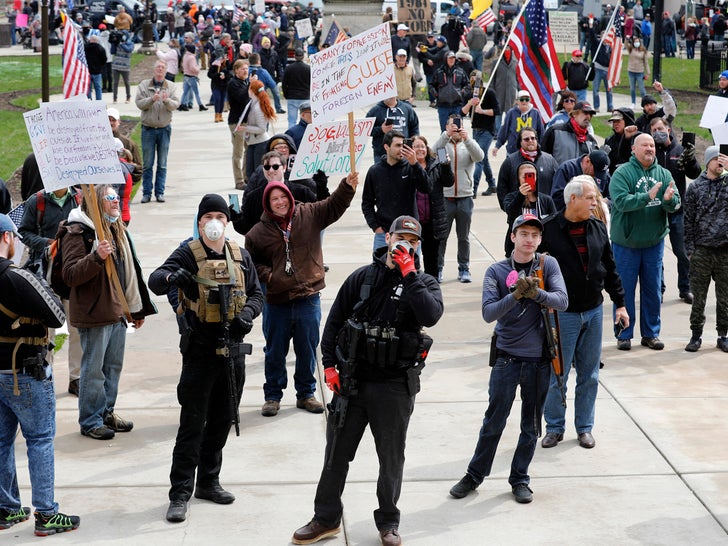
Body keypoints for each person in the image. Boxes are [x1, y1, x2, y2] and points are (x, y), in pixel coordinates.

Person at [291, 216, 443, 546]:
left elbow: (431, 315)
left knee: (391, 458)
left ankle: (388, 522)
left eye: (413, 241)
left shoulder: (423, 282)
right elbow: (332, 326)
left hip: (394, 387)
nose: (406, 244)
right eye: (401, 237)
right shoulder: (362, 278)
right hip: (353, 383)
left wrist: (410, 273)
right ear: (387, 238)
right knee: (335, 455)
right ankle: (325, 518)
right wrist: (329, 367)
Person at [148, 194, 264, 523]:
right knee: (192, 424)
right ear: (199, 222)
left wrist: (248, 315)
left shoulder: (240, 255)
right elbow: (155, 279)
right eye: (208, 216)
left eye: (220, 216)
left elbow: (257, 293)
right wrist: (174, 278)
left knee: (222, 419)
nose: (214, 222)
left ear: (228, 222)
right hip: (200, 350)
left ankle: (209, 481)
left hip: (233, 351)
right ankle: (180, 491)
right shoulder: (188, 253)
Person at [449, 213, 568, 504]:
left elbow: (562, 301)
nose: (529, 240)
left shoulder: (547, 264)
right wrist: (516, 294)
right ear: (513, 236)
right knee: (494, 421)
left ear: (540, 239)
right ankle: (474, 475)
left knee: (531, 425)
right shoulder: (497, 271)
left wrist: (537, 293)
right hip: (507, 359)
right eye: (524, 234)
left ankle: (520, 478)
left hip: (539, 360)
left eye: (535, 235)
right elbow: (489, 313)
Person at [245, 173, 360, 418]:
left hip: (308, 297)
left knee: (308, 349)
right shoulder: (257, 233)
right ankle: (272, 396)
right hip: (277, 302)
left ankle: (306, 393)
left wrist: (346, 187)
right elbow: (252, 264)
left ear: (290, 197)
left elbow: (333, 205)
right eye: (274, 199)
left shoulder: (309, 214)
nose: (280, 202)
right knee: (275, 351)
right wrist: (271, 276)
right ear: (268, 203)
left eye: (283, 197)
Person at [0, 214, 81, 536]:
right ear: (6, 238)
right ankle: (46, 513)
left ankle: (6, 508)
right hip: (25, 373)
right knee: (40, 440)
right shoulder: (16, 276)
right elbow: (57, 314)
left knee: (2, 442)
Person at [61, 185, 157, 439]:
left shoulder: (116, 229)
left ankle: (106, 413)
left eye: (116, 197)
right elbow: (70, 274)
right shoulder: (77, 232)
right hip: (94, 314)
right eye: (110, 198)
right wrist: (96, 256)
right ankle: (90, 421)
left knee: (112, 367)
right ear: (93, 203)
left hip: (116, 312)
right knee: (93, 370)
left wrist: (135, 309)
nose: (116, 202)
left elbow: (128, 274)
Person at [539, 177, 628, 450]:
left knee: (589, 374)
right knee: (558, 374)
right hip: (561, 315)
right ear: (573, 199)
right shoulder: (548, 229)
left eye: (596, 198)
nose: (596, 202)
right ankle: (554, 427)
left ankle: (584, 428)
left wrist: (620, 304)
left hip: (593, 311)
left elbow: (610, 267)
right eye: (591, 198)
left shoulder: (598, 227)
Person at [610, 134, 680, 351]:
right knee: (625, 291)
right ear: (634, 149)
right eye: (645, 145)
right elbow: (620, 202)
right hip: (627, 245)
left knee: (652, 290)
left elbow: (675, 204)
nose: (650, 148)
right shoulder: (622, 173)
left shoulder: (664, 173)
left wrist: (669, 201)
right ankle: (624, 334)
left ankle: (651, 334)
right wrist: (646, 197)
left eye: (652, 145)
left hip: (654, 243)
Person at [18, 186, 83, 396]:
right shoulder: (36, 201)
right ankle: (45, 375)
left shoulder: (80, 198)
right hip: (45, 276)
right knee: (46, 331)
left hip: (72, 273)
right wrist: (49, 244)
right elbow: (24, 232)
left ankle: (77, 378)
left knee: (77, 329)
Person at [648, 117, 701, 304]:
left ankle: (685, 289)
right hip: (655, 211)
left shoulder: (679, 151)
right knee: (656, 254)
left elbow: (694, 174)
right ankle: (658, 289)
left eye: (660, 128)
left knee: (683, 252)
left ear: (668, 129)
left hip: (678, 211)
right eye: (653, 130)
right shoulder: (650, 153)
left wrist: (690, 159)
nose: (657, 133)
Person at [684, 146, 728, 353]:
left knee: (725, 297)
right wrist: (690, 249)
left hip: (724, 251)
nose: (720, 164)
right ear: (708, 161)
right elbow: (688, 220)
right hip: (702, 251)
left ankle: (723, 335)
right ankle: (696, 335)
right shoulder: (695, 187)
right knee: (699, 297)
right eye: (717, 160)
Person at [433, 115, 484, 283]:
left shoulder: (467, 144)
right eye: (452, 125)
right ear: (447, 126)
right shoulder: (443, 144)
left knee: (463, 237)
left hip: (465, 197)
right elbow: (433, 153)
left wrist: (467, 139)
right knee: (442, 237)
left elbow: (479, 156)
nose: (455, 128)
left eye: (458, 125)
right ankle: (438, 268)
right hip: (446, 198)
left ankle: (464, 269)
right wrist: (446, 135)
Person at [362, 131, 430, 251]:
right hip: (384, 234)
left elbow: (427, 188)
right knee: (380, 268)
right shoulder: (375, 171)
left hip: (410, 232)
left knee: (411, 269)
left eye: (403, 145)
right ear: (386, 147)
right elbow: (367, 202)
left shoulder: (411, 167)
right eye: (398, 145)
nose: (402, 149)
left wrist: (415, 164)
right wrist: (375, 227)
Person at [135, 60, 180, 204]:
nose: (160, 69)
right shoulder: (144, 85)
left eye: (163, 67)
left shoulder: (171, 86)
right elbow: (139, 103)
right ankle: (146, 193)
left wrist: (166, 101)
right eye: (158, 67)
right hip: (148, 129)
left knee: (162, 163)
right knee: (148, 164)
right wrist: (151, 99)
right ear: (154, 70)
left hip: (164, 129)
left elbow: (175, 105)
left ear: (166, 70)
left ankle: (160, 193)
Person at [412, 135, 454, 277]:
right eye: (416, 146)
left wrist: (446, 166)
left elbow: (449, 182)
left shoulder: (435, 164)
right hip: (413, 221)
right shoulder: (406, 166)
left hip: (433, 221)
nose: (420, 149)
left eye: (422, 146)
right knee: (412, 261)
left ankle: (433, 291)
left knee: (431, 261)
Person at [502, 161, 557, 257]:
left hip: (541, 250)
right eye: (525, 177)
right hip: (516, 249)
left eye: (532, 176)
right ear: (518, 179)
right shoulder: (511, 197)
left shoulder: (546, 200)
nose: (528, 179)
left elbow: (555, 224)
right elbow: (511, 214)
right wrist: (520, 196)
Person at [496, 127, 560, 204]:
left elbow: (558, 184)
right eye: (526, 139)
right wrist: (508, 207)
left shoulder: (550, 160)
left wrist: (553, 207)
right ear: (520, 142)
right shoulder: (510, 162)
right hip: (519, 211)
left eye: (533, 138)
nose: (530, 141)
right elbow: (502, 188)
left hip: (545, 211)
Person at [463, 74, 500, 196]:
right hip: (475, 130)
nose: (475, 88)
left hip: (487, 131)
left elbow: (497, 111)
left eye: (477, 84)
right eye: (473, 83)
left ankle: (473, 189)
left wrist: (482, 111)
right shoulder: (470, 95)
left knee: (478, 159)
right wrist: (470, 103)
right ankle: (492, 184)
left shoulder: (489, 93)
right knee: (483, 158)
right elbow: (462, 112)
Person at [238, 79, 276, 181]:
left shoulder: (258, 107)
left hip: (260, 142)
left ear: (252, 90)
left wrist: (245, 128)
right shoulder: (253, 103)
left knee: (257, 172)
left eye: (249, 87)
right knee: (250, 172)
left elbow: (262, 129)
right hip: (254, 142)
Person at [541, 101, 599, 166]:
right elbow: (542, 158)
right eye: (585, 113)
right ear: (574, 114)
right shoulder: (555, 131)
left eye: (591, 114)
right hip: (558, 175)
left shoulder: (591, 141)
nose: (588, 116)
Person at [365, 96, 420, 162]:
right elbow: (366, 130)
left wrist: (414, 139)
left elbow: (414, 127)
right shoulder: (374, 111)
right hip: (382, 154)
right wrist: (381, 129)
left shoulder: (407, 109)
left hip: (404, 153)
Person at [493, 90, 545, 156]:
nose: (524, 101)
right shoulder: (511, 113)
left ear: (530, 100)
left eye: (527, 99)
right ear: (517, 101)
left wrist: (541, 148)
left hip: (530, 151)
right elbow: (504, 130)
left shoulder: (535, 113)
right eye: (522, 99)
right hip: (513, 151)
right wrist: (497, 146)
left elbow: (541, 132)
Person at [430, 51, 471, 131]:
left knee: (458, 130)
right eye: (450, 58)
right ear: (446, 59)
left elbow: (468, 85)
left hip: (457, 106)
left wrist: (462, 93)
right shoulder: (439, 72)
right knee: (444, 131)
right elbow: (431, 86)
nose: (452, 60)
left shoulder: (460, 72)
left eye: (453, 58)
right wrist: (437, 95)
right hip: (443, 106)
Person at [227, 59, 251, 190]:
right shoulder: (233, 84)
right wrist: (249, 85)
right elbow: (242, 98)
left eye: (247, 69)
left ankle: (246, 176)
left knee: (249, 150)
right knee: (238, 153)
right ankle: (239, 180)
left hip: (247, 122)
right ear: (236, 70)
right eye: (242, 69)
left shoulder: (245, 82)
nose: (245, 71)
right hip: (237, 122)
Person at [281, 48, 310, 129]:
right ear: (303, 56)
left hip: (292, 97)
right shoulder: (308, 68)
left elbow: (284, 84)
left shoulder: (289, 68)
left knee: (291, 121)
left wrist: (286, 95)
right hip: (305, 97)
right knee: (306, 121)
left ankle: (291, 139)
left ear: (294, 56)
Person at [605, 108, 639, 174]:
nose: (615, 124)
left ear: (627, 121)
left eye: (618, 121)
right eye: (614, 121)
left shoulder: (638, 138)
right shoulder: (609, 140)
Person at [179, 44, 208, 112]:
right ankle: (200, 105)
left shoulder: (185, 56)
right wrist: (198, 69)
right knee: (196, 92)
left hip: (186, 76)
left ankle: (182, 104)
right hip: (191, 77)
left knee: (185, 92)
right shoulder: (192, 57)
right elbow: (192, 68)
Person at [208, 45, 231, 123]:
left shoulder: (227, 63)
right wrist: (217, 75)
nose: (222, 59)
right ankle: (216, 114)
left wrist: (225, 76)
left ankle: (220, 114)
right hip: (215, 85)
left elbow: (230, 74)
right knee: (217, 99)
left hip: (224, 85)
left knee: (222, 100)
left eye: (223, 57)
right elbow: (209, 75)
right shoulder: (214, 64)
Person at [626, 37, 650, 109]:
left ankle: (645, 103)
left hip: (640, 72)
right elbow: (626, 44)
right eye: (635, 42)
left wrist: (648, 72)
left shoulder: (643, 51)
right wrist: (627, 39)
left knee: (642, 89)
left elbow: (646, 62)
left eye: (638, 42)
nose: (637, 43)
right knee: (632, 89)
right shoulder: (631, 49)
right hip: (631, 71)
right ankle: (633, 103)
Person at [112, 30, 134, 104]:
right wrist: (113, 43)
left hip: (125, 66)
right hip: (116, 66)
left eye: (124, 35)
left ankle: (128, 97)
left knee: (126, 82)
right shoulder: (117, 43)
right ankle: (114, 98)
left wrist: (121, 44)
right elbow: (112, 52)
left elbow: (129, 50)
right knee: (115, 83)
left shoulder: (130, 43)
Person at [84, 35, 107, 101]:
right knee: (98, 88)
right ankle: (98, 101)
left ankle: (89, 100)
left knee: (88, 88)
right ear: (97, 40)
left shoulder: (85, 48)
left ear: (90, 40)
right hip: (97, 71)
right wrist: (100, 66)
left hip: (88, 71)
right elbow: (104, 60)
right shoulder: (101, 48)